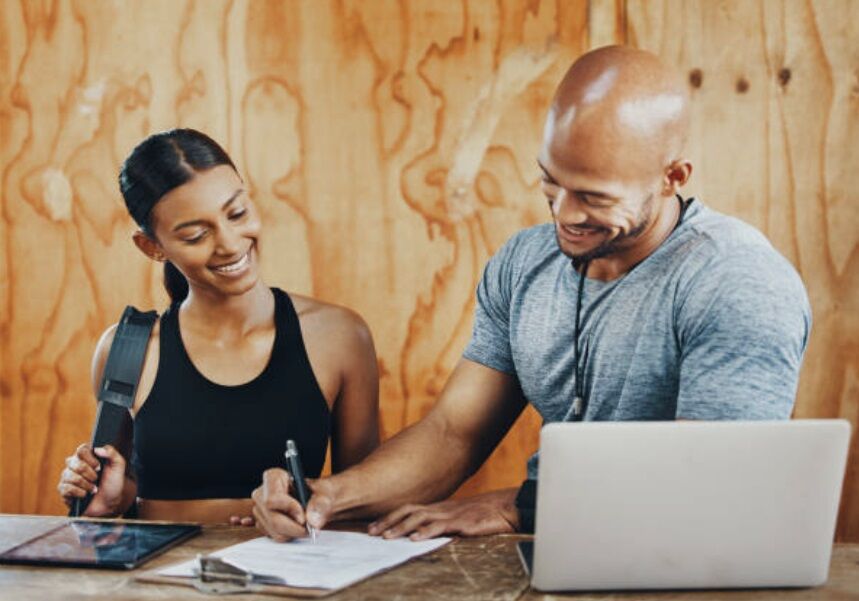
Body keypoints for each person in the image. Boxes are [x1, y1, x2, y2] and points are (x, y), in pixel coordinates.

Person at [252, 45, 811, 542]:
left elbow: (709, 481)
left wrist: (520, 507)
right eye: (551, 181)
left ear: (673, 176)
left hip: (686, 566)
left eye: (593, 196)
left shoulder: (737, 283)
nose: (564, 215)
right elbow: (453, 432)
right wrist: (329, 496)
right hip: (565, 548)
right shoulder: (525, 264)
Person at [57, 129, 380, 524]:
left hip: (291, 577)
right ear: (152, 247)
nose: (229, 243)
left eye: (237, 213)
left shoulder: (341, 336)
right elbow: (110, 510)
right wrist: (106, 502)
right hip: (158, 583)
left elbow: (366, 501)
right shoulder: (126, 349)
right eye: (196, 235)